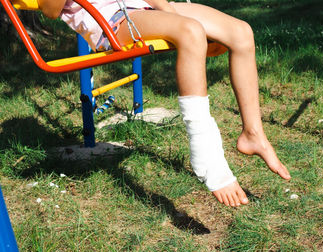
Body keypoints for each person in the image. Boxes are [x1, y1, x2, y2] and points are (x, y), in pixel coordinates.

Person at [38, 0, 291, 207]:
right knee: (190, 32)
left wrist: (169, 11)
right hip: (111, 20)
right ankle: (207, 158)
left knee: (241, 31)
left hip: (143, 7)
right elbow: (49, 10)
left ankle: (253, 134)